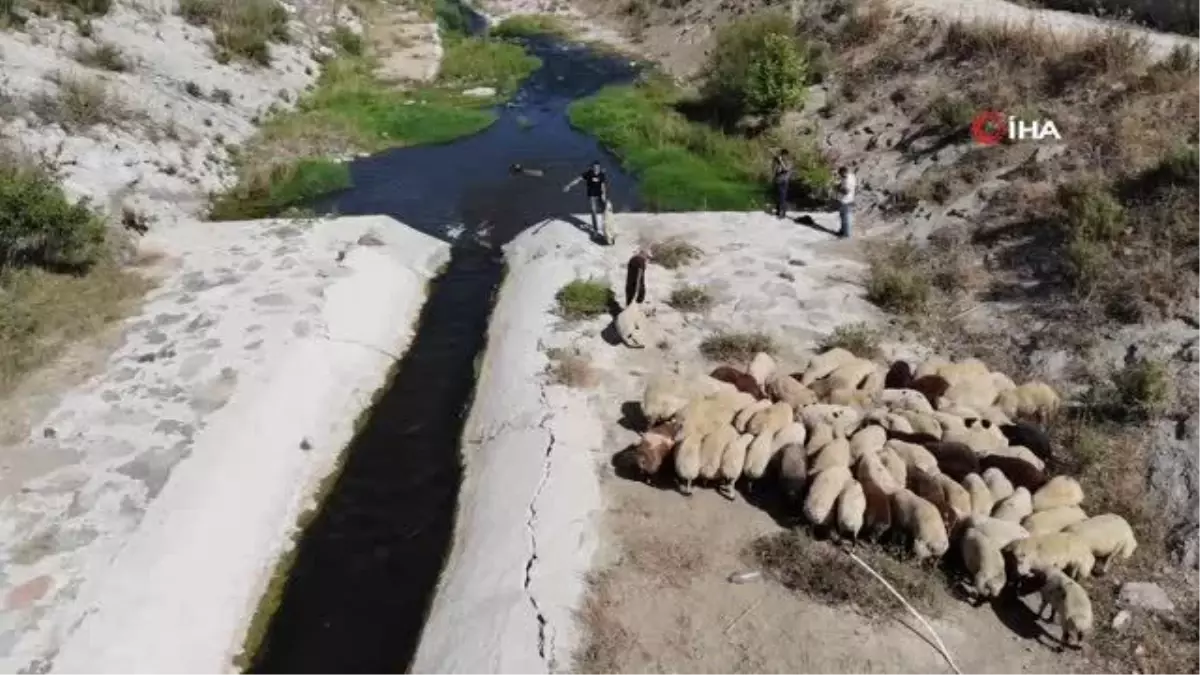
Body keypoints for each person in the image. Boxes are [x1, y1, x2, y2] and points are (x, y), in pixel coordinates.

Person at [563, 160, 609, 238]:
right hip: (591, 196)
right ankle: (595, 230)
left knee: (605, 211)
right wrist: (569, 185)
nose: (596, 169)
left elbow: (603, 185)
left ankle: (606, 227)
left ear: (599, 168)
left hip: (600, 195)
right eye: (595, 167)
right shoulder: (588, 174)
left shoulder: (602, 175)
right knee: (593, 211)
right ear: (592, 168)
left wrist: (604, 195)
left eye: (597, 167)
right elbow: (578, 179)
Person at [836, 165, 857, 239]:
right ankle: (842, 231)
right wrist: (840, 185)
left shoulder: (848, 180)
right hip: (846, 200)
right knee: (842, 217)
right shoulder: (851, 176)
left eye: (841, 174)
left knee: (846, 218)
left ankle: (846, 234)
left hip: (846, 201)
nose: (840, 176)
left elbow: (846, 191)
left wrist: (838, 188)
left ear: (843, 172)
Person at [771, 149, 792, 218]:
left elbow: (786, 169)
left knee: (782, 197)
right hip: (778, 180)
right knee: (779, 196)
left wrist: (781, 161)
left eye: (785, 155)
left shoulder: (789, 161)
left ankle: (782, 212)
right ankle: (778, 210)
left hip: (785, 181)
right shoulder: (777, 161)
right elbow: (774, 170)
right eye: (782, 155)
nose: (784, 156)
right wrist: (776, 162)